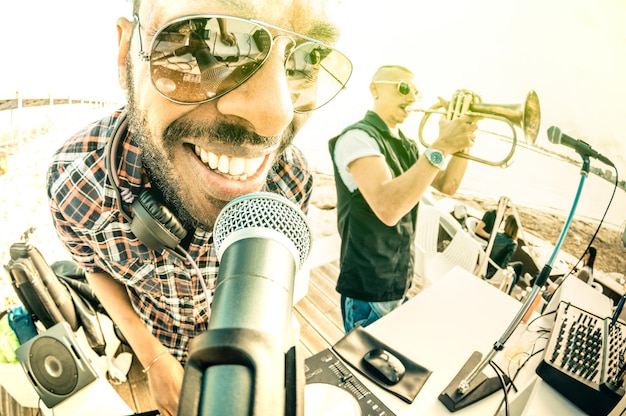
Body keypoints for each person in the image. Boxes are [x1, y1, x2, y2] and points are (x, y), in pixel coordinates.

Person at [45, 1, 352, 414]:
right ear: (125, 56)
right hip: (158, 342)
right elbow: (94, 268)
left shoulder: (290, 177)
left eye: (305, 59)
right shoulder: (75, 183)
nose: (276, 115)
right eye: (204, 42)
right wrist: (153, 357)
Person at [328, 65, 479, 333]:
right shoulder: (357, 138)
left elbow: (448, 185)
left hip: (397, 283)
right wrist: (442, 145)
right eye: (403, 89)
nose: (411, 98)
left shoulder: (408, 146)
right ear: (375, 89)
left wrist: (460, 142)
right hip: (368, 291)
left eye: (416, 93)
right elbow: (388, 208)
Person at [485, 215, 524, 295]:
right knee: (516, 271)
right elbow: (504, 264)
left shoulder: (494, 234)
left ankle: (512, 286)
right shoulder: (512, 243)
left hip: (485, 265)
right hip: (495, 271)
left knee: (518, 266)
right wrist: (509, 270)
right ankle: (508, 292)